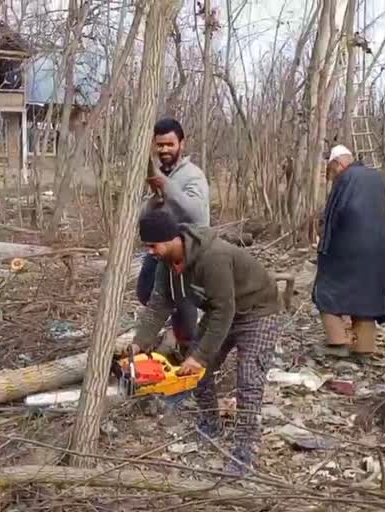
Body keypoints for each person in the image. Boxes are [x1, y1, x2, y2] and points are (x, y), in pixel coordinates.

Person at [130, 208, 278, 474]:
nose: (151, 251)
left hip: (257, 311)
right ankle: (211, 423)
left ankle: (244, 446)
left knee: (248, 378)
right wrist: (139, 343)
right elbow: (159, 303)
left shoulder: (213, 256)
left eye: (154, 245)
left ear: (173, 238)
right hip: (221, 311)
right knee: (198, 373)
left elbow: (225, 309)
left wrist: (199, 356)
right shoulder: (166, 264)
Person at [313, 145, 385, 359]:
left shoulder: (345, 179)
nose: (333, 176)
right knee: (367, 296)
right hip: (378, 250)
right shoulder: (376, 177)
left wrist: (323, 244)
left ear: (338, 164)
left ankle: (337, 342)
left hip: (347, 249)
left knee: (324, 291)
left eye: (332, 171)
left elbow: (333, 215)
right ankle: (364, 348)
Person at [137, 118, 210, 353]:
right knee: (146, 291)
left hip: (188, 252)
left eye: (169, 144)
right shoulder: (157, 173)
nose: (164, 150)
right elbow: (149, 213)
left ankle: (188, 347)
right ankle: (171, 328)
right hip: (161, 249)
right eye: (160, 145)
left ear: (182, 144)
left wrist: (167, 186)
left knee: (184, 299)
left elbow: (196, 211)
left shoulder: (192, 175)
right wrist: (154, 198)